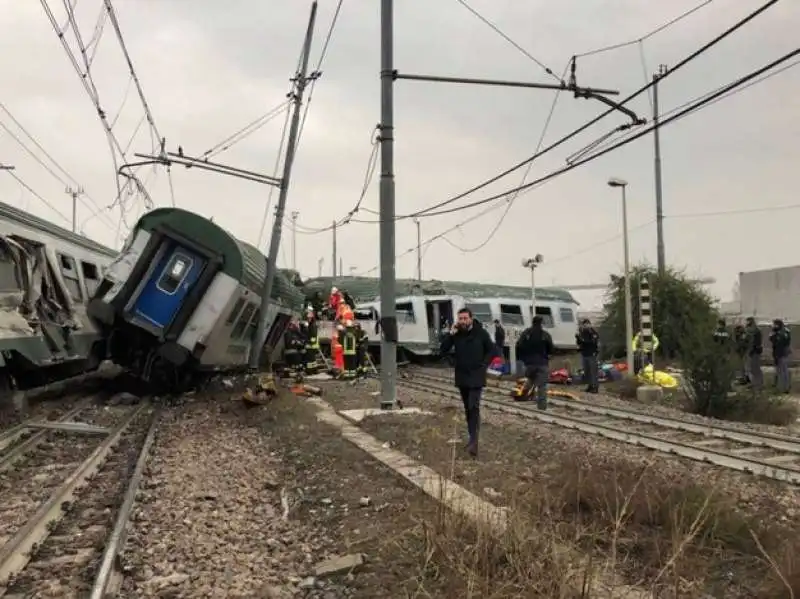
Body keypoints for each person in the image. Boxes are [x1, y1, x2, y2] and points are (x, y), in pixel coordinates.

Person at [439, 308, 494, 457]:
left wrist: (484, 365)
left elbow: (492, 350)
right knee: (468, 409)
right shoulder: (456, 335)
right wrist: (450, 335)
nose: (462, 321)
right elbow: (442, 350)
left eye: (465, 318)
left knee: (473, 406)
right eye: (460, 319)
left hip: (476, 375)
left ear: (471, 318)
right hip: (462, 376)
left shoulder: (481, 333)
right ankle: (472, 438)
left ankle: (474, 442)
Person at [515, 315, 555, 410]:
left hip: (529, 363)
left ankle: (523, 395)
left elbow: (519, 346)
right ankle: (541, 407)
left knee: (531, 379)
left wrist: (522, 358)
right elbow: (551, 349)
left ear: (532, 322)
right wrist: (547, 355)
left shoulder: (526, 333)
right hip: (542, 363)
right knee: (542, 385)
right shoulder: (545, 335)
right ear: (541, 323)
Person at [575, 318, 600, 393]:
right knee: (587, 371)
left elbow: (592, 342)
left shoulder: (593, 332)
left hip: (592, 354)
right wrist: (578, 338)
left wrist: (582, 340)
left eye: (586, 324)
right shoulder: (582, 332)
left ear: (589, 324)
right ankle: (590, 386)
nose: (585, 326)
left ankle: (595, 387)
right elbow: (580, 343)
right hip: (584, 354)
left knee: (593, 371)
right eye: (584, 324)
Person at [769, 319, 791, 393]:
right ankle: (782, 386)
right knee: (781, 370)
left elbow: (777, 342)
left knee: (782, 371)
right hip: (782, 353)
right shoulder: (785, 331)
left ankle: (784, 387)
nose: (773, 326)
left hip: (781, 353)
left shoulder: (780, 332)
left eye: (774, 324)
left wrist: (773, 333)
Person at [744, 317, 763, 390]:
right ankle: (755, 383)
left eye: (748, 321)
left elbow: (753, 342)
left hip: (755, 351)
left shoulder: (754, 330)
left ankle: (758, 384)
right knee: (752, 369)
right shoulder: (751, 330)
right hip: (752, 351)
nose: (747, 323)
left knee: (755, 369)